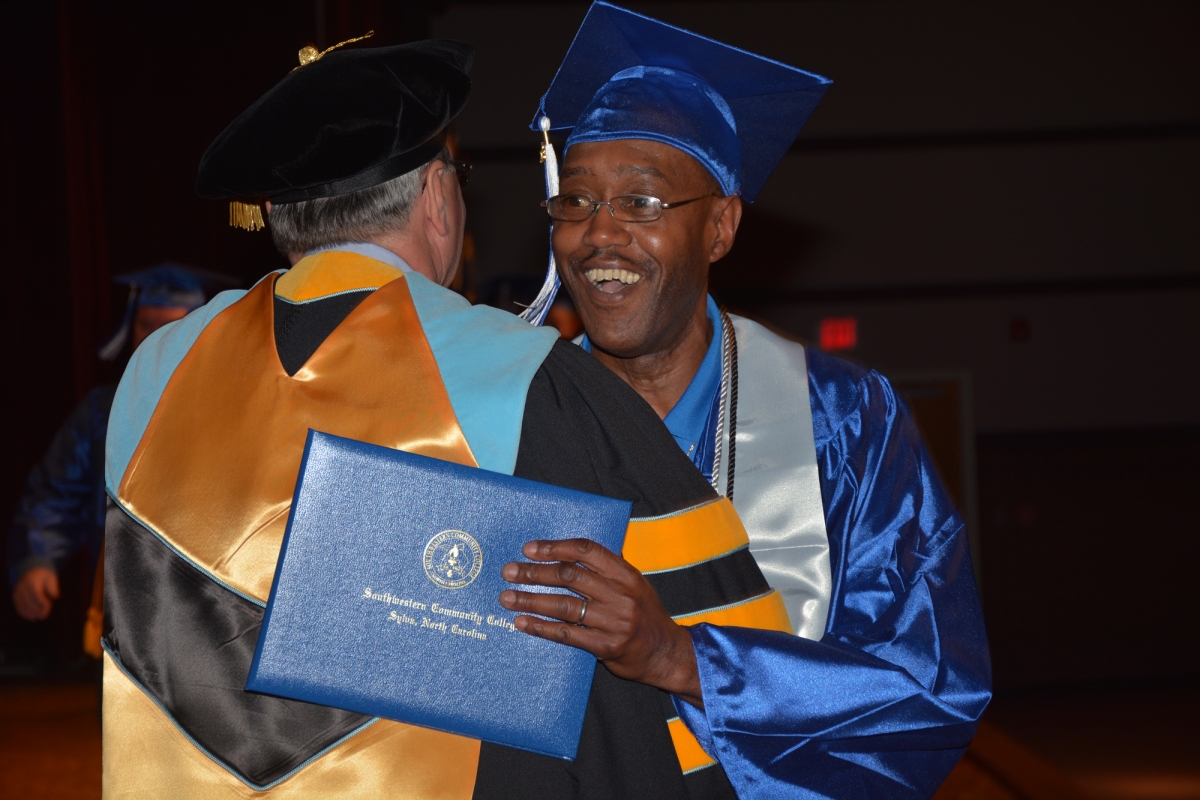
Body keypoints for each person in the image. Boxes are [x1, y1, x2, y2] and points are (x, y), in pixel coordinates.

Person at [102, 36, 770, 799]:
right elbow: (698, 665)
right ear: (437, 198)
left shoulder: (157, 370)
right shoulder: (521, 378)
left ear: (283, 217)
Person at [501, 3, 993, 798]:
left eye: (642, 203)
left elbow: (929, 694)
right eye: (577, 200)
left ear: (721, 228)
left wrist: (681, 658)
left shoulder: (841, 421)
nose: (598, 235)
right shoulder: (511, 408)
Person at [8, 265, 230, 631]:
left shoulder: (229, 407)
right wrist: (37, 558)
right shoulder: (102, 410)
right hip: (120, 608)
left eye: (171, 326)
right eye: (145, 325)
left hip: (208, 609)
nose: (154, 339)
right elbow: (56, 490)